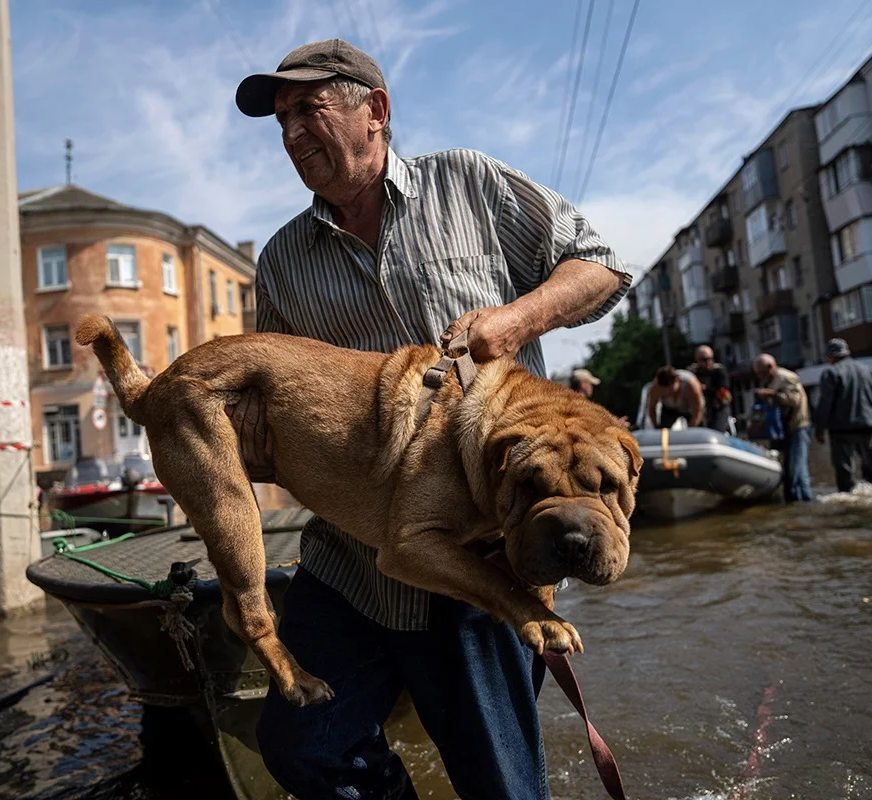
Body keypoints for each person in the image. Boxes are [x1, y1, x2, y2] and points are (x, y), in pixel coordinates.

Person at [229, 39, 630, 799]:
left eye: (307, 110)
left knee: (500, 787)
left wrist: (517, 321)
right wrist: (244, 449)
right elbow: (273, 416)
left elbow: (601, 266)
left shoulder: (470, 183)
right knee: (301, 746)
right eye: (280, 120)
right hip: (349, 562)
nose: (290, 135)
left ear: (374, 111)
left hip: (482, 564)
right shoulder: (282, 259)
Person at [812, 338, 872, 492]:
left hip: (842, 429)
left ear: (831, 355)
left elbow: (825, 403)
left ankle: (850, 500)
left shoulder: (831, 373)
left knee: (845, 473)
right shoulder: (868, 370)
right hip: (868, 426)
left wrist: (819, 430)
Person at [753, 353, 813, 502]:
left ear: (770, 367)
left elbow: (794, 400)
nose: (760, 376)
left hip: (797, 427)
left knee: (797, 468)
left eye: (761, 372)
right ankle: (791, 501)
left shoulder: (786, 377)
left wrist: (772, 394)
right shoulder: (770, 380)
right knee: (786, 470)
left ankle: (806, 501)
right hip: (782, 430)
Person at [689, 345, 733, 432]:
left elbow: (723, 392)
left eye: (710, 359)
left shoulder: (719, 371)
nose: (708, 362)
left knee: (716, 432)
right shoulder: (693, 372)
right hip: (700, 408)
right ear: (697, 359)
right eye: (704, 360)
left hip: (718, 407)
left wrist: (705, 388)